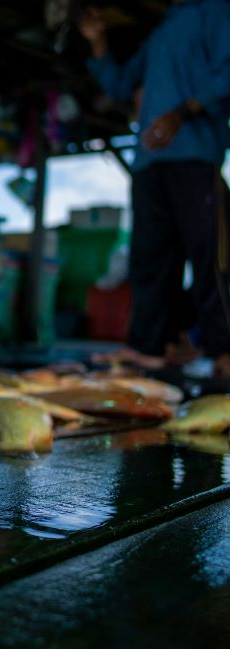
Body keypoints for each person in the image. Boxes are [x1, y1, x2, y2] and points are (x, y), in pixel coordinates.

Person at [78, 0, 230, 372]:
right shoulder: (160, 33)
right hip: (148, 163)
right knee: (150, 259)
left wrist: (183, 112)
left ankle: (225, 349)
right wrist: (98, 42)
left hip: (195, 155)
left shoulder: (215, 11)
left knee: (212, 254)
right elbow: (118, 85)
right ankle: (150, 346)